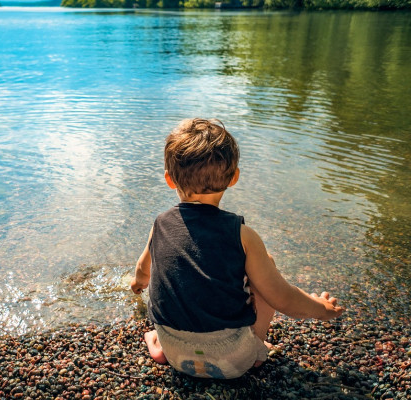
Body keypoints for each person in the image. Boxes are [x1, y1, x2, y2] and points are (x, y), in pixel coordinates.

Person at [130, 118, 344, 379]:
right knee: (265, 264)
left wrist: (137, 284)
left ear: (169, 180)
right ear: (234, 177)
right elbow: (283, 298)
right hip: (233, 361)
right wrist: (321, 309)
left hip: (176, 355)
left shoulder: (160, 225)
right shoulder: (243, 236)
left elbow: (143, 270)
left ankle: (158, 344)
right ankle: (257, 349)